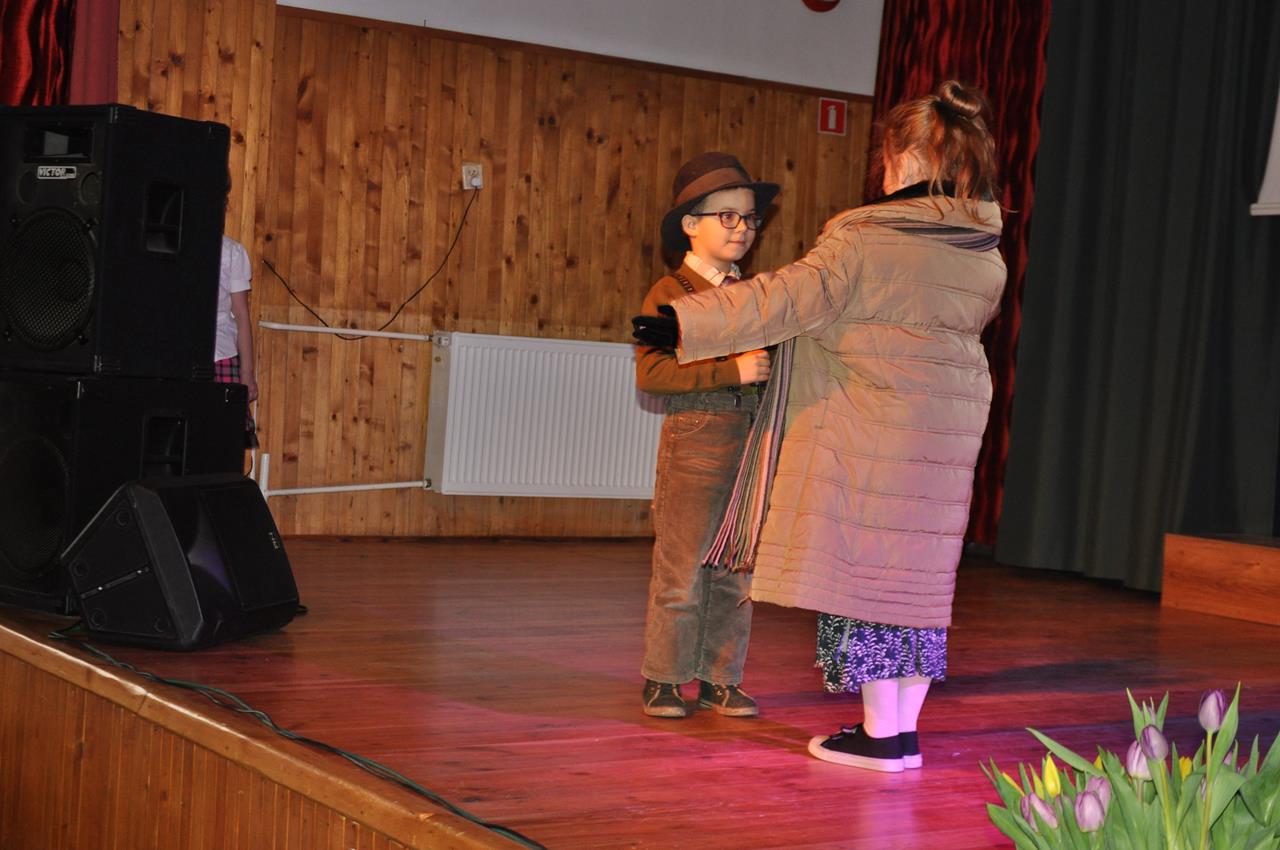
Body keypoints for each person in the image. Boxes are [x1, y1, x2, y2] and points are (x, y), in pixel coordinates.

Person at [633, 81, 1006, 768]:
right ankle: (902, 735)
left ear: (903, 160)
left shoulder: (864, 238)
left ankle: (877, 736)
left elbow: (784, 298)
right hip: (945, 438)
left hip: (870, 434)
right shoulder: (982, 250)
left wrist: (684, 321)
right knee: (916, 590)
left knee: (863, 583)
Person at [635, 152, 779, 719]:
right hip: (696, 440)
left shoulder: (760, 295)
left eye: (750, 218)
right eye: (728, 216)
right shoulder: (668, 294)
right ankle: (665, 677)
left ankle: (721, 678)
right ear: (691, 225)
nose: (742, 228)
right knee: (684, 566)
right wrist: (730, 371)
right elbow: (651, 373)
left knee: (736, 569)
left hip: (750, 441)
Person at [214, 231, 259, 450]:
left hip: (221, 355)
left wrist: (247, 374)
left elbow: (241, 315)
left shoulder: (231, 251)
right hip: (177, 358)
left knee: (225, 440)